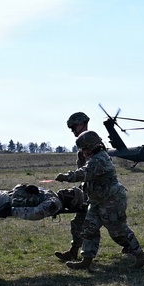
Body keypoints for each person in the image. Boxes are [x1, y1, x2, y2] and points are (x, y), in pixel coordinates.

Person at [55, 130, 144, 270]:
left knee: (119, 231)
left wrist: (66, 177)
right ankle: (86, 261)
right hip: (97, 201)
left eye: (85, 148)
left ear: (93, 147)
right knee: (89, 229)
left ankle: (141, 256)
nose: (83, 152)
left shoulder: (99, 159)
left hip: (112, 200)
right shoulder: (95, 157)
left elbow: (84, 172)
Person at [53, 112, 92, 262]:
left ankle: (134, 249)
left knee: (115, 226)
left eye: (74, 127)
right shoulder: (83, 147)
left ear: (82, 124)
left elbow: (88, 171)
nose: (73, 131)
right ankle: (74, 252)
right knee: (79, 222)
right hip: (90, 192)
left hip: (102, 193)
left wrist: (68, 177)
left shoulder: (93, 145)